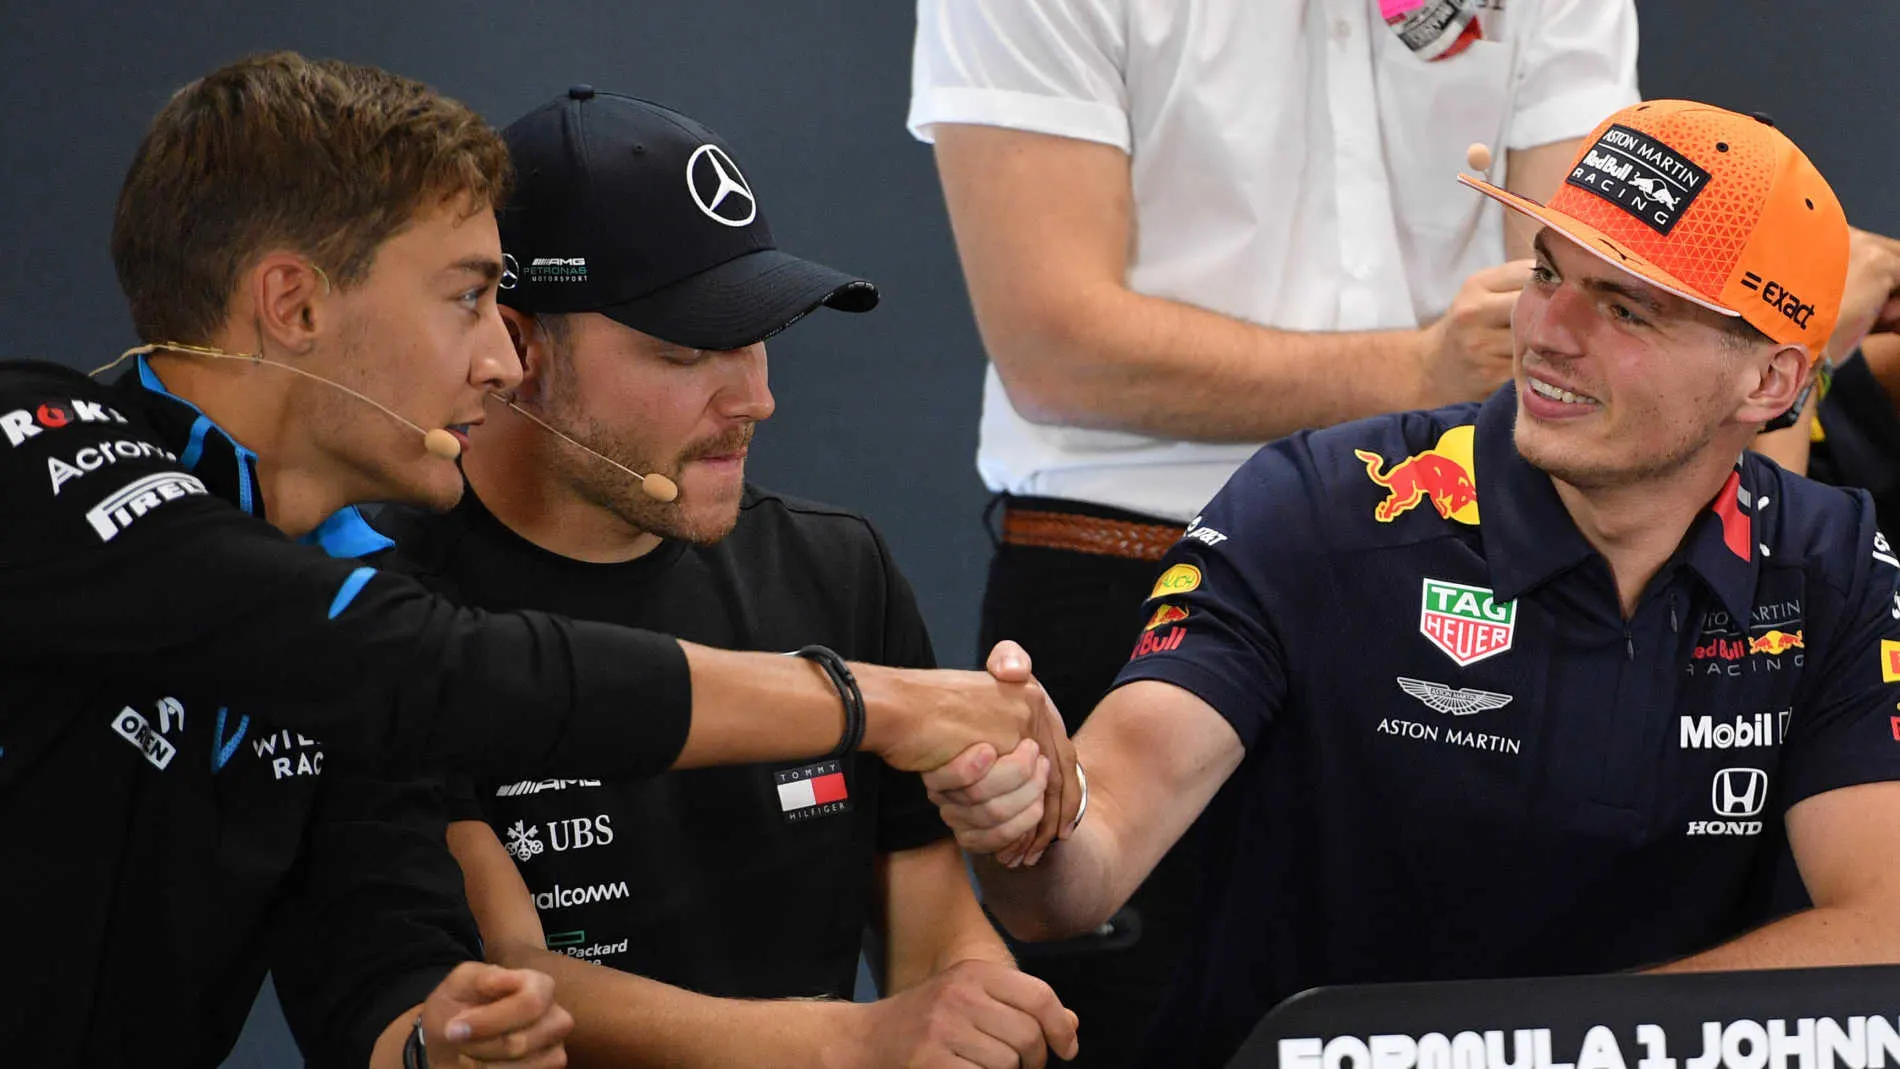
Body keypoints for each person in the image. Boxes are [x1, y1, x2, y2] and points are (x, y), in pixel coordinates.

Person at [0, 53, 1069, 1067]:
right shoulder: (33, 439)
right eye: (467, 298)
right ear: (297, 305)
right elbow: (428, 669)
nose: (499, 360)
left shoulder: (345, 592)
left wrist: (448, 1043)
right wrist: (863, 702)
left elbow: (387, 956)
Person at [927, 100, 1900, 1069]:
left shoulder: (1835, 564)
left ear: (1770, 385)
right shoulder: (1319, 506)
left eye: (1624, 307)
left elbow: (1883, 929)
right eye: (1547, 274)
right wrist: (1033, 817)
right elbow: (1080, 873)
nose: (1548, 333)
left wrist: (1535, 1049)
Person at [907, 1, 1642, 1055]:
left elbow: (1587, 287)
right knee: (1139, 1021)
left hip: (1466, 567)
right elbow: (1055, 349)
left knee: (1484, 1020)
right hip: (1136, 560)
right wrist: (1421, 372)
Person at [375, 87, 1079, 1068]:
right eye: (687, 349)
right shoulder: (384, 603)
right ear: (518, 350)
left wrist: (979, 1001)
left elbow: (932, 938)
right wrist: (856, 1041)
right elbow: (501, 974)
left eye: (756, 338)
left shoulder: (838, 569)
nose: (756, 398)